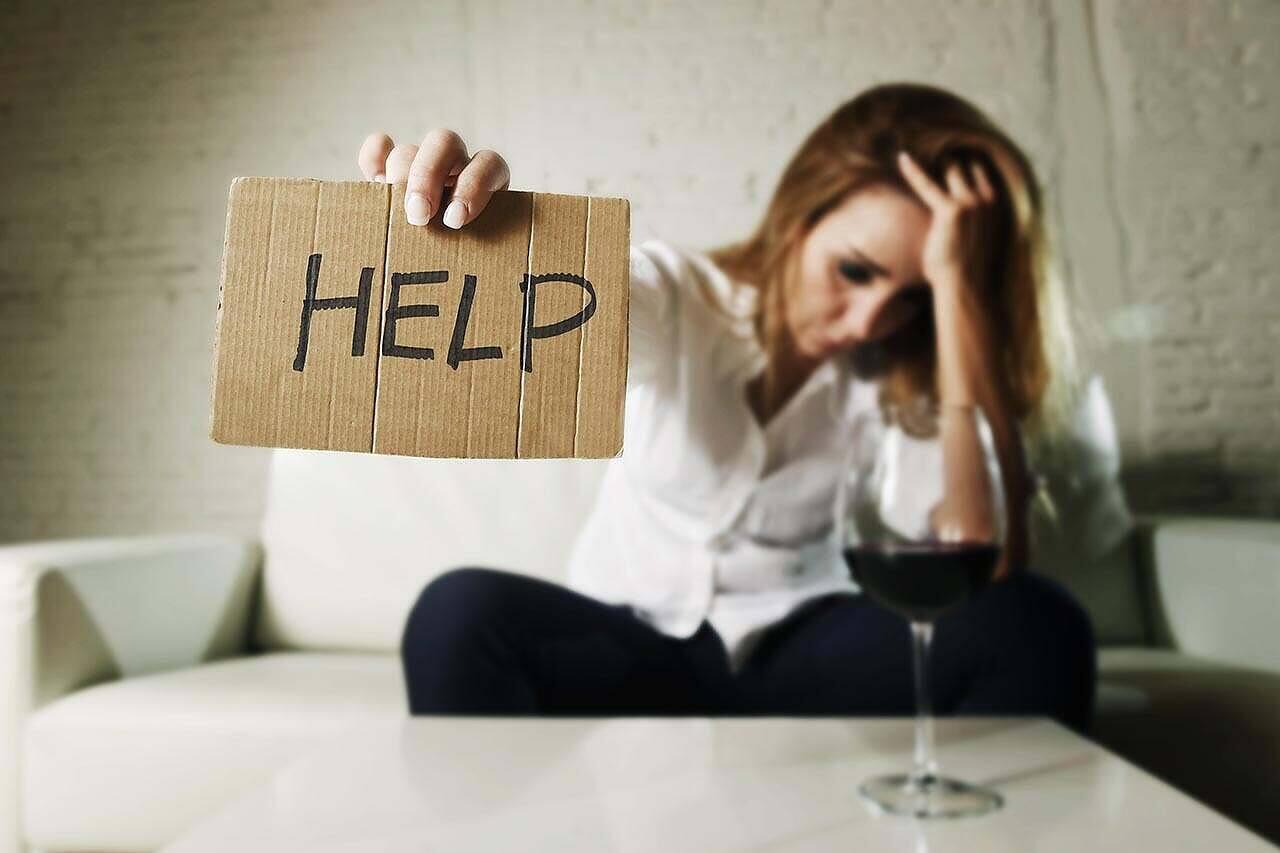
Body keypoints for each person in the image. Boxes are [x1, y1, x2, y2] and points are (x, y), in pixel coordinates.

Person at [358, 82, 1101, 734]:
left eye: (914, 296)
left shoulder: (905, 374)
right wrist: (454, 223)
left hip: (804, 660)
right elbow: (573, 306)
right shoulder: (683, 298)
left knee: (1035, 622)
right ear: (798, 215)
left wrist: (959, 296)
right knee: (458, 612)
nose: (871, 319)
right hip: (626, 646)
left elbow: (983, 557)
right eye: (855, 270)